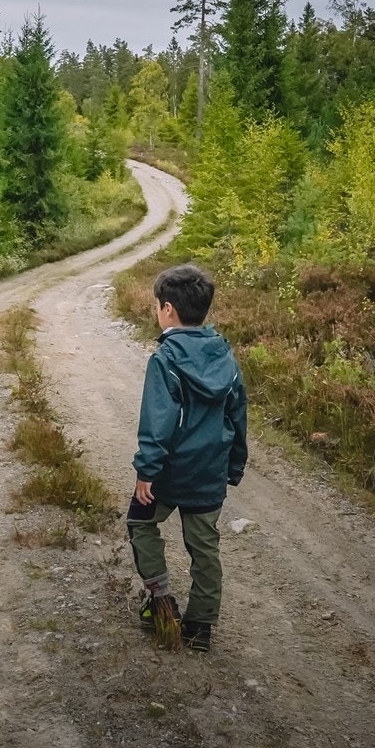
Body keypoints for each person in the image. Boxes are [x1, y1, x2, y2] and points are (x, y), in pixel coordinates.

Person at [127, 262, 248, 652]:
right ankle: (200, 628)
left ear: (166, 309)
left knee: (140, 521)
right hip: (209, 473)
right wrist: (234, 466)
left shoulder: (164, 360)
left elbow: (157, 422)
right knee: (205, 549)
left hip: (168, 474)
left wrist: (146, 472)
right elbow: (237, 417)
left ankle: (161, 602)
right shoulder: (226, 359)